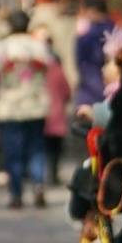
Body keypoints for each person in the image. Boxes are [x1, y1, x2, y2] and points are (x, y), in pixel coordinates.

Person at [0, 9, 50, 209]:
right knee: (36, 149)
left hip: (9, 107)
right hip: (35, 105)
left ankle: (16, 193)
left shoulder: (1, 49)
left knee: (12, 152)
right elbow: (48, 73)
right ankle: (38, 186)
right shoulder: (39, 47)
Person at [39, 27, 72, 186]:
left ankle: (42, 175)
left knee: (42, 148)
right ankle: (52, 174)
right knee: (55, 149)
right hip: (56, 115)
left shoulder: (37, 70)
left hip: (41, 115)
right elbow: (67, 91)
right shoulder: (57, 69)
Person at [74, 0, 115, 112]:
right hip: (107, 87)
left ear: (92, 11)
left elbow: (81, 58)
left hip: (91, 88)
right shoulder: (114, 30)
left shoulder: (92, 34)